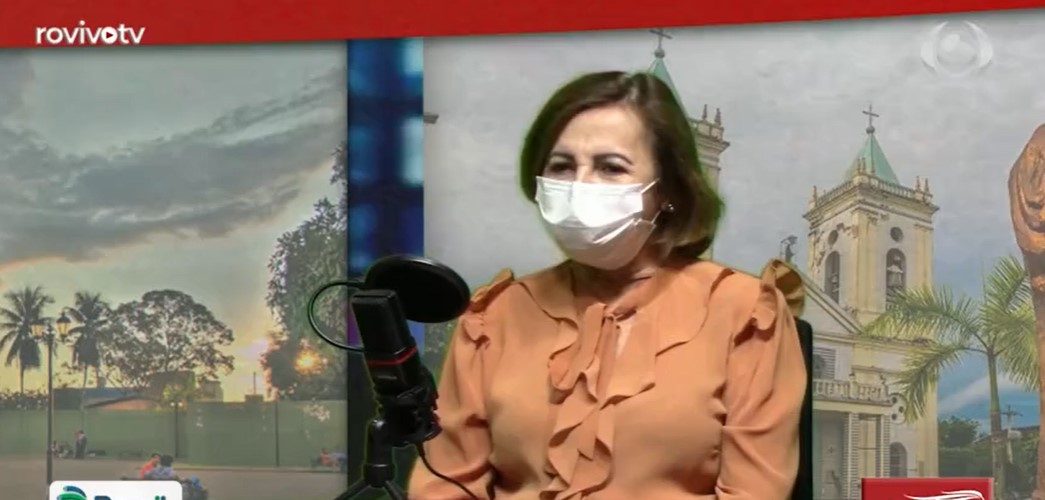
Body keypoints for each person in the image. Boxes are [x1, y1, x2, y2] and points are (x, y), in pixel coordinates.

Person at [408, 71, 806, 499]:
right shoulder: (494, 315)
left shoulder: (744, 313)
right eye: (561, 166)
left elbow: (753, 491)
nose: (580, 185)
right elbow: (445, 485)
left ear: (667, 191)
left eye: (610, 167)